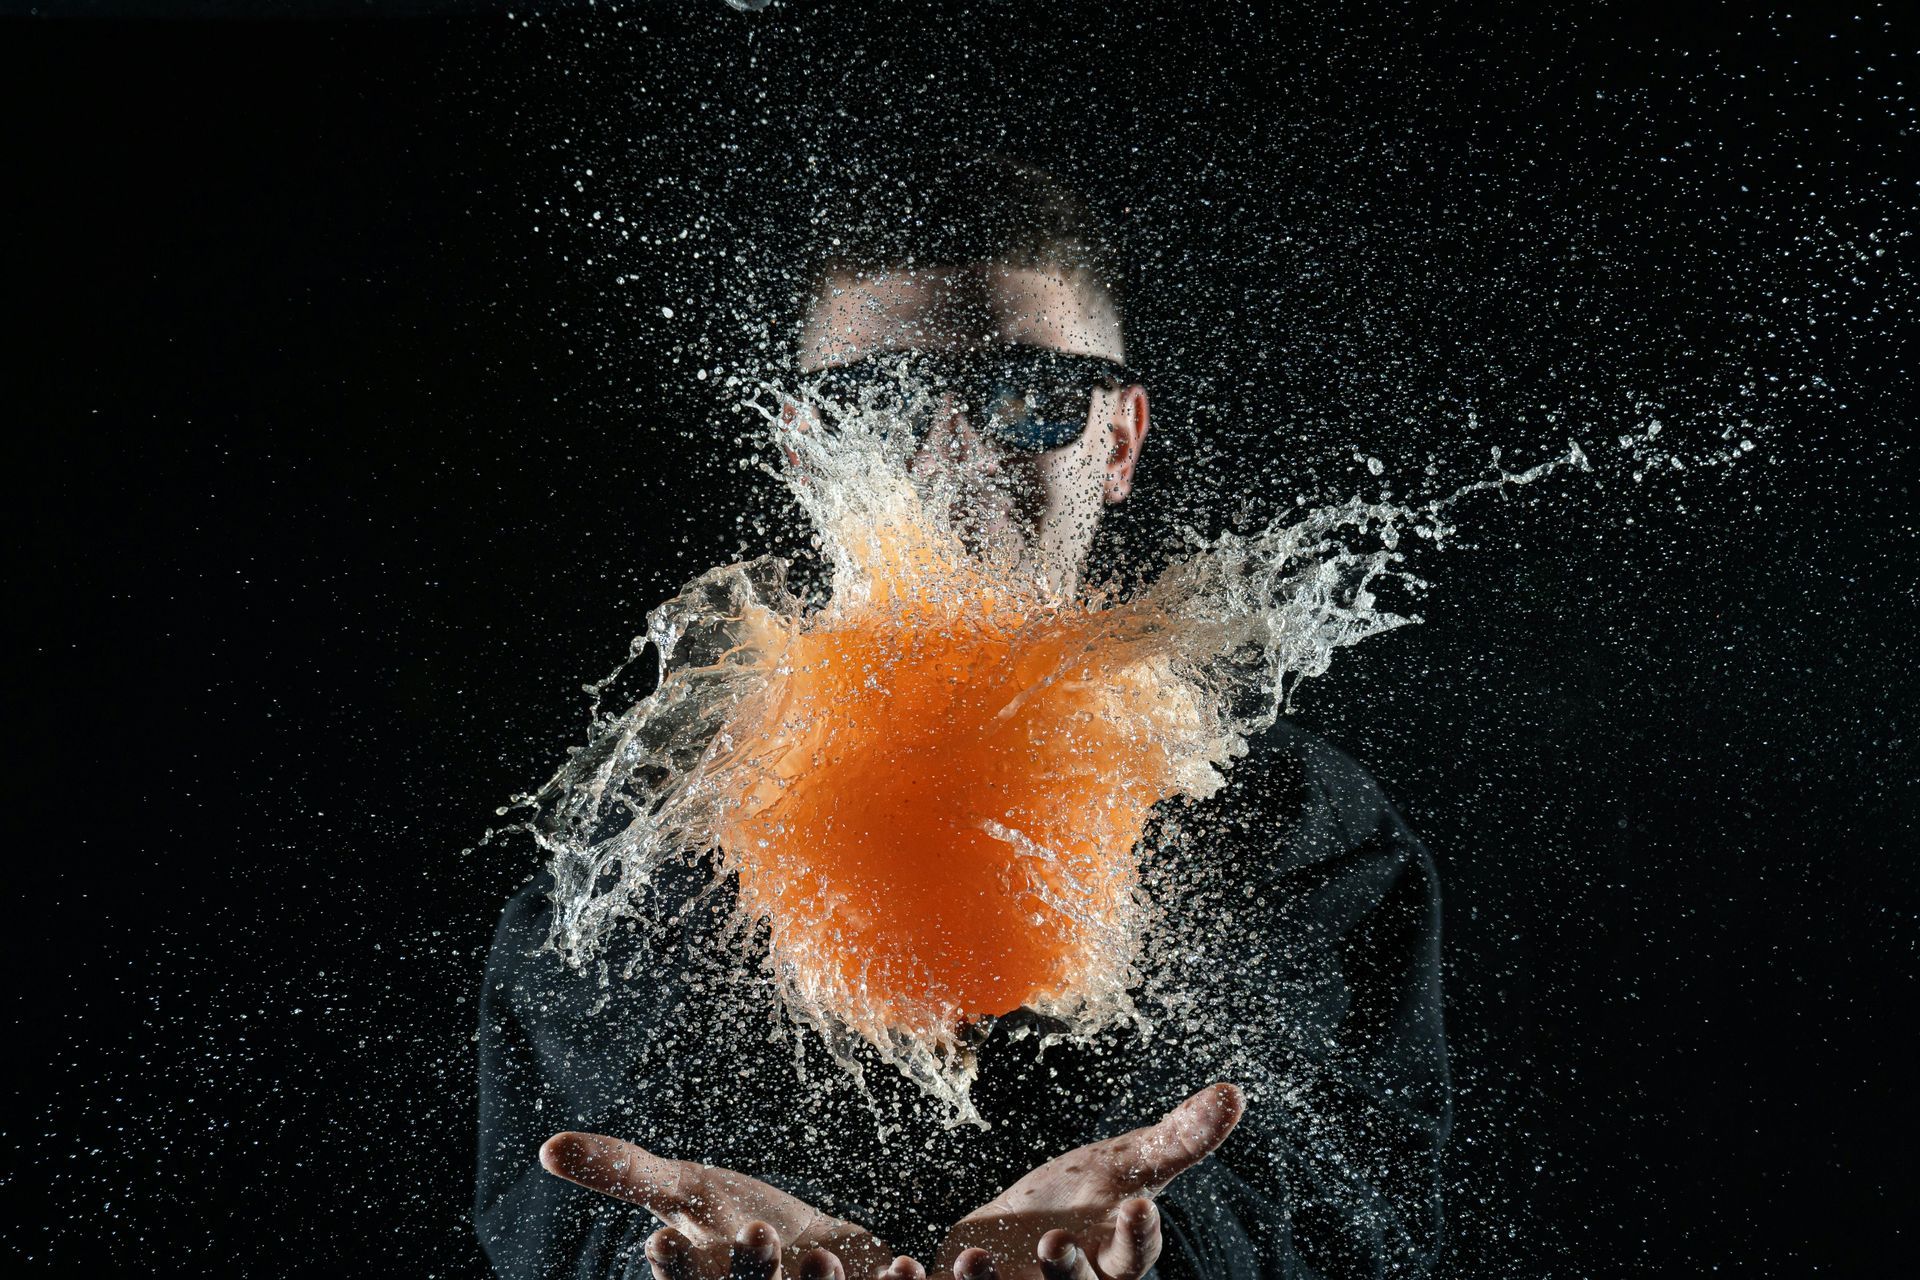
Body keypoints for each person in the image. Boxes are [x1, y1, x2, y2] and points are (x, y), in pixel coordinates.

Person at [474, 156, 1452, 1280]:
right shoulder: (639, 844)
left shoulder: (1293, 832)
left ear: (1118, 441)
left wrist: (1156, 1255)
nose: (954, 456)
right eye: (878, 404)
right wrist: (671, 1264)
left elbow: (1359, 1212)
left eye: (1029, 397)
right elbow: (560, 1205)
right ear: (802, 451)